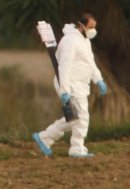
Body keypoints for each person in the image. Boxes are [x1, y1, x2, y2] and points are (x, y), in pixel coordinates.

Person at [33, 13, 107, 158]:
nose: (93, 31)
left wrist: (98, 79)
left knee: (73, 118)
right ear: (81, 26)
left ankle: (44, 138)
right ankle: (77, 148)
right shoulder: (70, 41)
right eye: (91, 27)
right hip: (71, 84)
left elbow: (89, 63)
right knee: (82, 117)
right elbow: (64, 67)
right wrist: (64, 90)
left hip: (80, 84)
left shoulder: (84, 41)